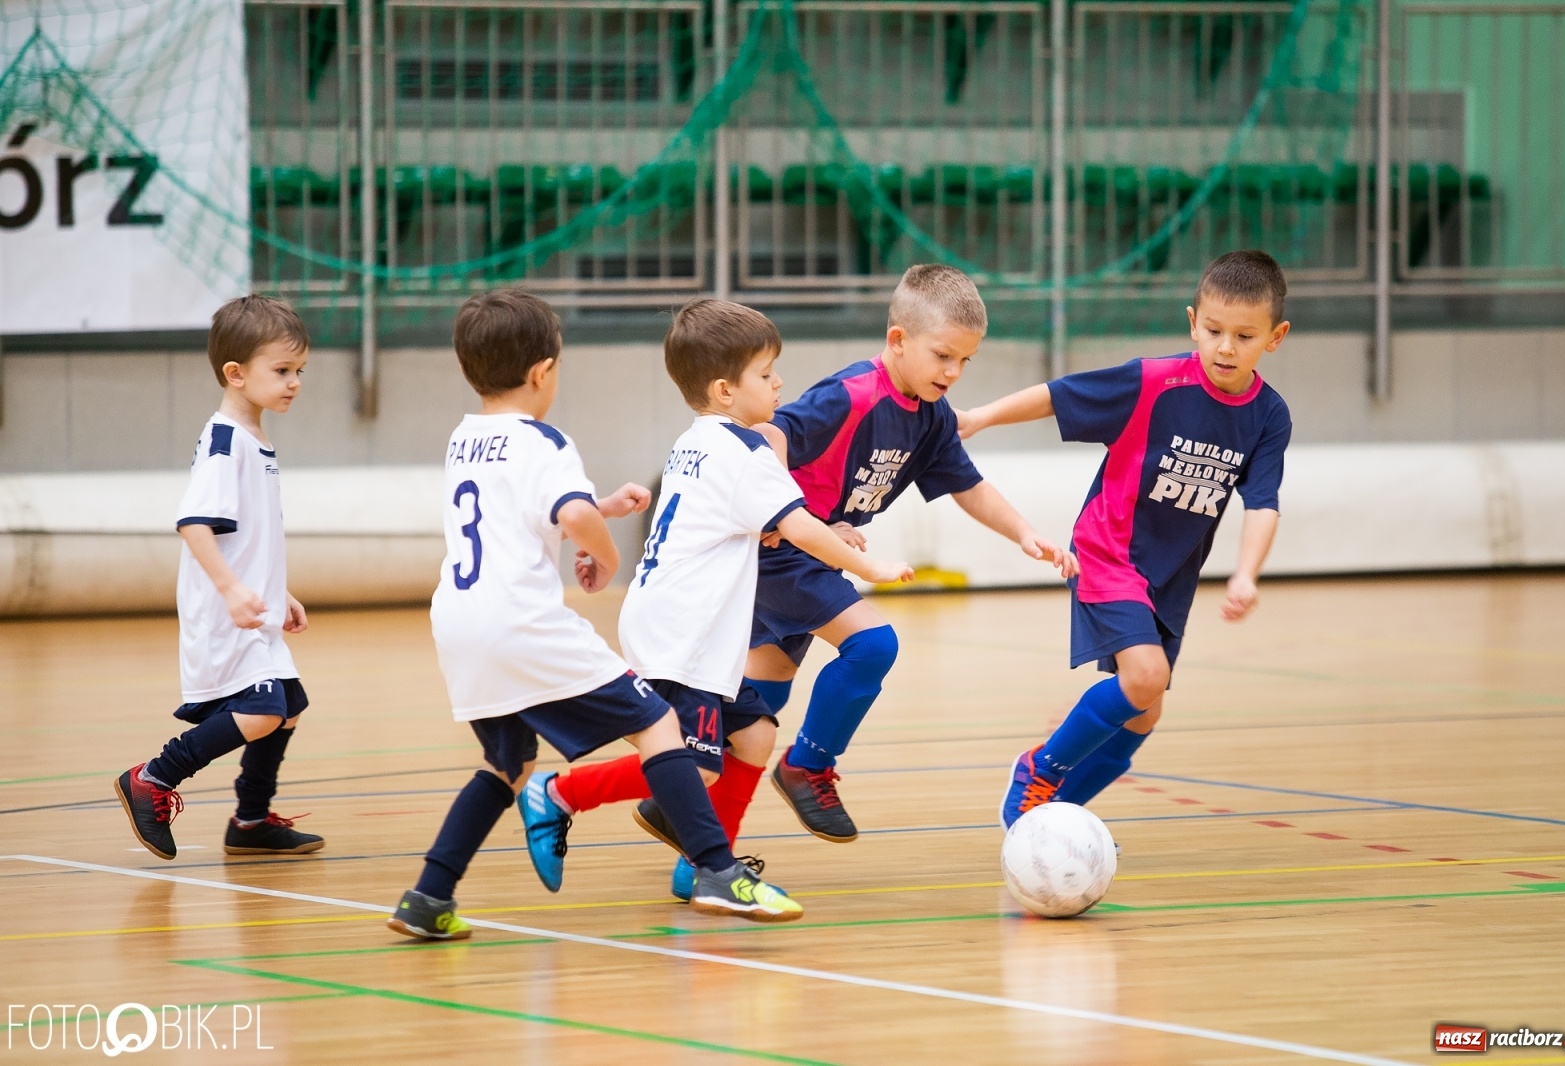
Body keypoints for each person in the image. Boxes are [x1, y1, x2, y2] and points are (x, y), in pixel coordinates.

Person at [387, 289, 800, 941]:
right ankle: (719, 871)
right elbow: (568, 515)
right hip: (523, 624)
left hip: (459, 624)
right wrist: (602, 553)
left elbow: (522, 511)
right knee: (662, 725)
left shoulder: (465, 439)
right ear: (542, 372)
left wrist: (599, 505)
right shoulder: (544, 440)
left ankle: (428, 895)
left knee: (507, 763)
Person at [518, 299, 913, 901]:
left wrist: (817, 529)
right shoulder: (745, 451)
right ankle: (560, 794)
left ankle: (709, 865)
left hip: (677, 623)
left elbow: (768, 524)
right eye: (765, 373)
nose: (779, 382)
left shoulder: (698, 441)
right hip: (684, 636)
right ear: (726, 390)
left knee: (753, 736)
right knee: (693, 762)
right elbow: (798, 527)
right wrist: (869, 565)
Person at [959, 250, 1294, 828]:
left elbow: (1262, 501)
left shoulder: (1268, 415)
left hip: (1170, 577)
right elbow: (1058, 395)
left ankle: (1054, 821)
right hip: (1108, 554)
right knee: (1144, 678)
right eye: (1213, 331)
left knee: (1144, 711)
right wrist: (980, 417)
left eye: (1244, 336)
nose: (1224, 347)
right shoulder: (1154, 382)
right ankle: (1038, 769)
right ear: (1193, 321)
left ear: (1275, 336)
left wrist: (1246, 574)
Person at [750, 264, 1070, 843]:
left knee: (755, 709)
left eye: (965, 361)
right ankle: (808, 766)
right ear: (897, 340)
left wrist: (1023, 530)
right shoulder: (851, 394)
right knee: (873, 644)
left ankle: (690, 824)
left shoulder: (932, 418)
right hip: (783, 550)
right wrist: (782, 509)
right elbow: (768, 434)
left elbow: (967, 484)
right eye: (943, 355)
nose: (953, 372)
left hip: (809, 554)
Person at [114, 296, 324, 860]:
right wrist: (231, 589)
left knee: (290, 703)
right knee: (261, 711)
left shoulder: (253, 438)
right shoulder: (226, 441)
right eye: (282, 371)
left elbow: (247, 535)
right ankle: (155, 777)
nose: (294, 382)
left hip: (253, 606)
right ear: (236, 373)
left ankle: (251, 822)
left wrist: (279, 593)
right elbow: (194, 523)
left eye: (299, 371)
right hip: (224, 611)